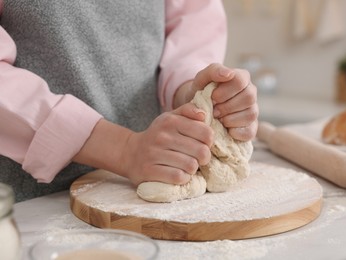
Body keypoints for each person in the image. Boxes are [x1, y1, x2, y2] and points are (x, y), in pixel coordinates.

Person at [0, 0, 259, 202]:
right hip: (28, 203)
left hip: (146, 192)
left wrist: (196, 93)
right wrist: (124, 149)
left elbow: (191, 23)